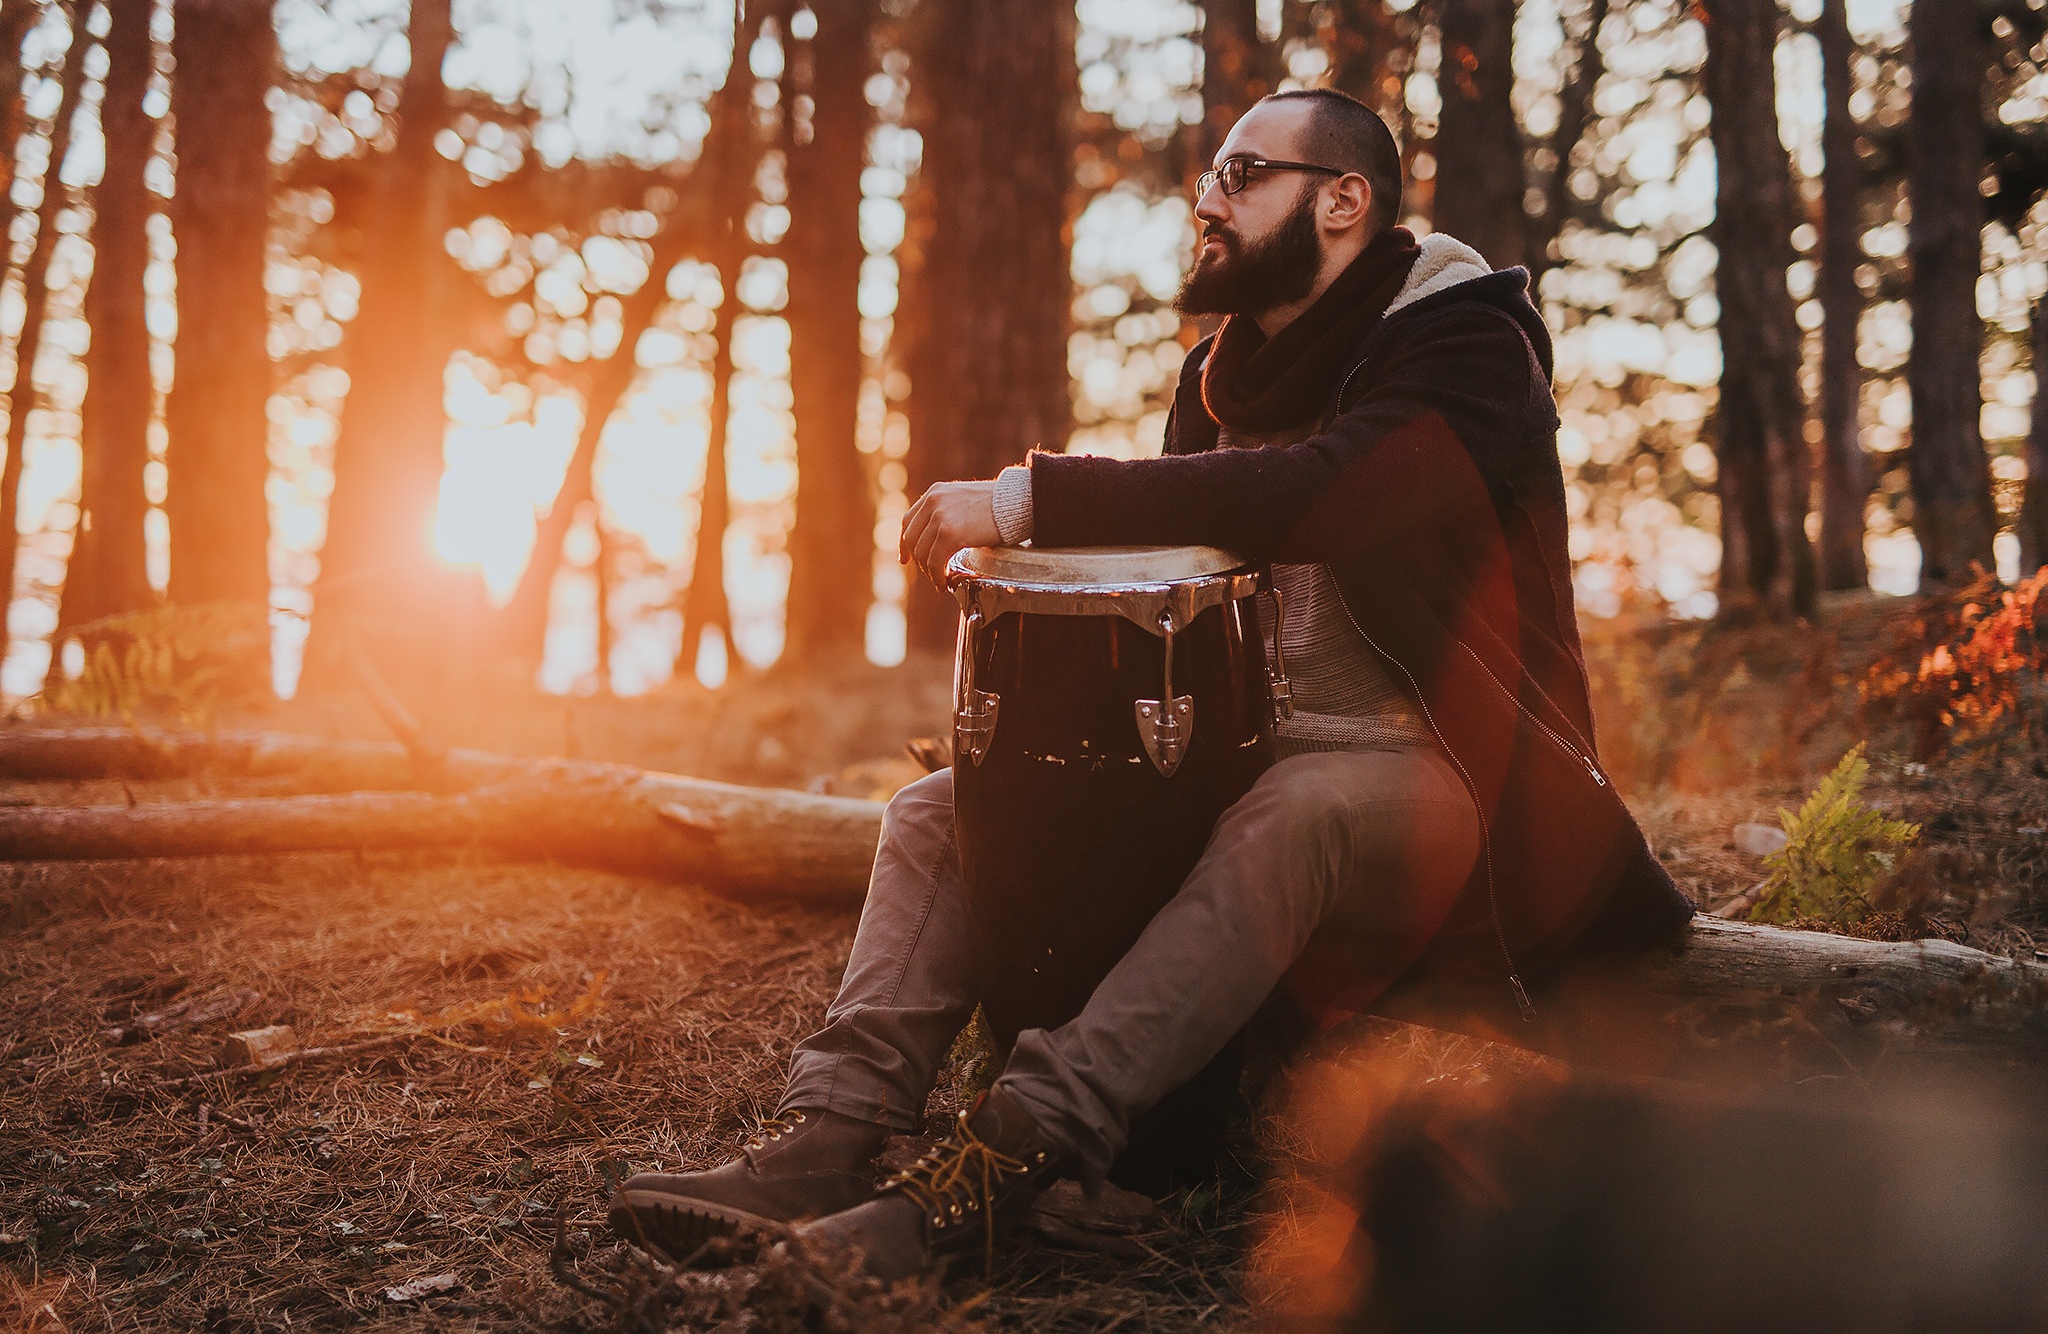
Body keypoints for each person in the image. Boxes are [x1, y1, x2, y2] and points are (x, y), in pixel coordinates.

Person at [609, 87, 1695, 1280]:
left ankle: (1015, 1153)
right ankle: (832, 1138)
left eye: (1240, 175)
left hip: (1444, 777)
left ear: (1342, 202)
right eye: (1206, 177)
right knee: (936, 812)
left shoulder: (1465, 348)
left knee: (1295, 815)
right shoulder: (1219, 376)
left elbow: (1320, 492)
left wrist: (1031, 500)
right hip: (1244, 762)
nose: (1205, 200)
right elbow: (1176, 567)